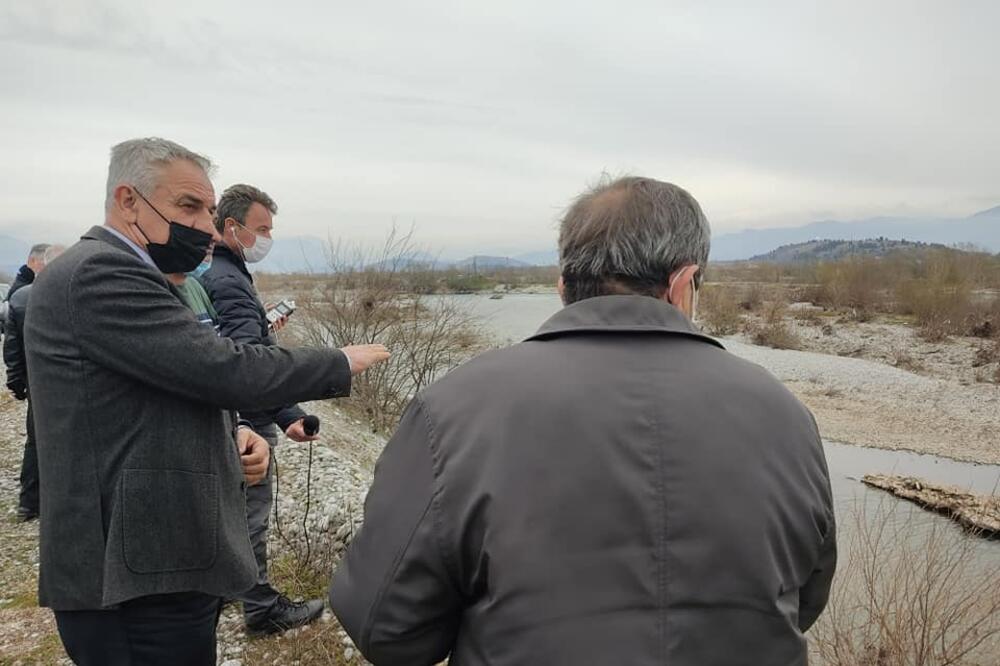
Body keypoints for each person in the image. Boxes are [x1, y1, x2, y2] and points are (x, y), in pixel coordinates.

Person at [330, 176, 836, 665]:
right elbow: (804, 598)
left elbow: (386, 629)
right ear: (683, 285)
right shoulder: (785, 414)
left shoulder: (454, 407)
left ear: (563, 286)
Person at [24, 137, 390, 665]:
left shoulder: (140, 274)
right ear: (128, 201)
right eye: (189, 206)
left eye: (209, 211)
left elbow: (166, 383)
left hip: (158, 565)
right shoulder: (100, 274)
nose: (207, 228)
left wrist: (233, 434)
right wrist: (338, 361)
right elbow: (224, 367)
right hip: (131, 578)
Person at [196, 183, 326, 635]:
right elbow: (249, 367)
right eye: (263, 229)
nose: (267, 238)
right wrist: (283, 415)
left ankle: (225, 589)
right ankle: (261, 608)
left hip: (235, 416)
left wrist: (262, 326)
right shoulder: (228, 279)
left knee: (231, 514)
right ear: (232, 226)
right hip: (246, 422)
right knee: (251, 515)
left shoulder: (220, 273)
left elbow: (239, 345)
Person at [3, 244, 65, 522]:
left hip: (37, 382)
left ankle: (29, 503)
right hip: (66, 380)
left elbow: (12, 348)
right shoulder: (68, 293)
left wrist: (17, 382)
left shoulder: (19, 298)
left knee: (36, 440)